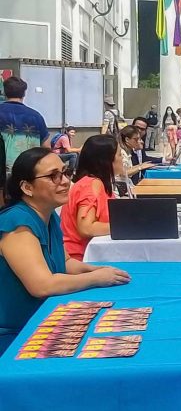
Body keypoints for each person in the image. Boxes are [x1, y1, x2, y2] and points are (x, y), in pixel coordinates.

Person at [0, 148, 130, 355]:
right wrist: (96, 278)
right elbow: (42, 285)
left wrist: (97, 269)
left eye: (65, 172)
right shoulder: (18, 223)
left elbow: (65, 262)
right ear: (27, 187)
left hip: (42, 321)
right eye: (53, 176)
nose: (65, 181)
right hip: (16, 336)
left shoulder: (49, 215)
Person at [60, 135, 124, 261]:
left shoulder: (98, 183)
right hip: (79, 258)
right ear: (106, 161)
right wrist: (125, 226)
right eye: (120, 155)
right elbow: (86, 228)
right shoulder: (90, 185)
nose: (122, 159)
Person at [0, 77, 50, 206]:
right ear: (24, 93)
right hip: (29, 175)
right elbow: (46, 149)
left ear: (4, 92)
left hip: (3, 178)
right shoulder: (36, 116)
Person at [130, 117, 163, 184]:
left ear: (145, 131)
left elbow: (144, 159)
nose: (139, 130)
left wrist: (163, 160)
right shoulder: (125, 146)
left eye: (142, 129)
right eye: (137, 127)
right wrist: (140, 167)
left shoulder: (141, 143)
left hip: (140, 181)